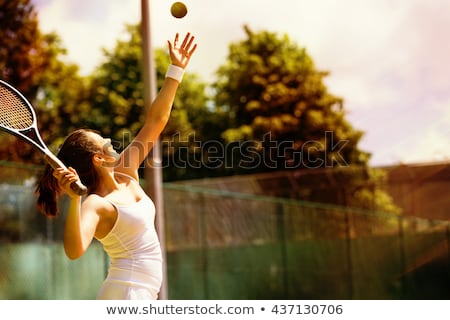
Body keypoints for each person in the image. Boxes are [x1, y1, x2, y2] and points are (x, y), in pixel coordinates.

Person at [35, 32, 197, 300]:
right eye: (104, 142)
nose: (111, 141)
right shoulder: (96, 204)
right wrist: (75, 201)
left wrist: (176, 68)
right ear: (99, 159)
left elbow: (155, 121)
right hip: (126, 295)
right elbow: (75, 251)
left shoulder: (126, 173)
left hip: (140, 294)